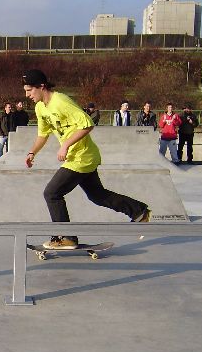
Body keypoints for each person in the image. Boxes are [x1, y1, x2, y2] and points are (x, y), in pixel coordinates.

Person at [22, 69, 150, 250]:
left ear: (41, 86)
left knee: (52, 193)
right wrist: (32, 153)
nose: (27, 95)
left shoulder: (61, 101)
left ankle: (66, 237)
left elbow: (87, 124)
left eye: (29, 90)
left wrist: (65, 145)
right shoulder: (40, 108)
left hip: (81, 157)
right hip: (81, 157)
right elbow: (43, 135)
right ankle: (139, 211)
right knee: (97, 196)